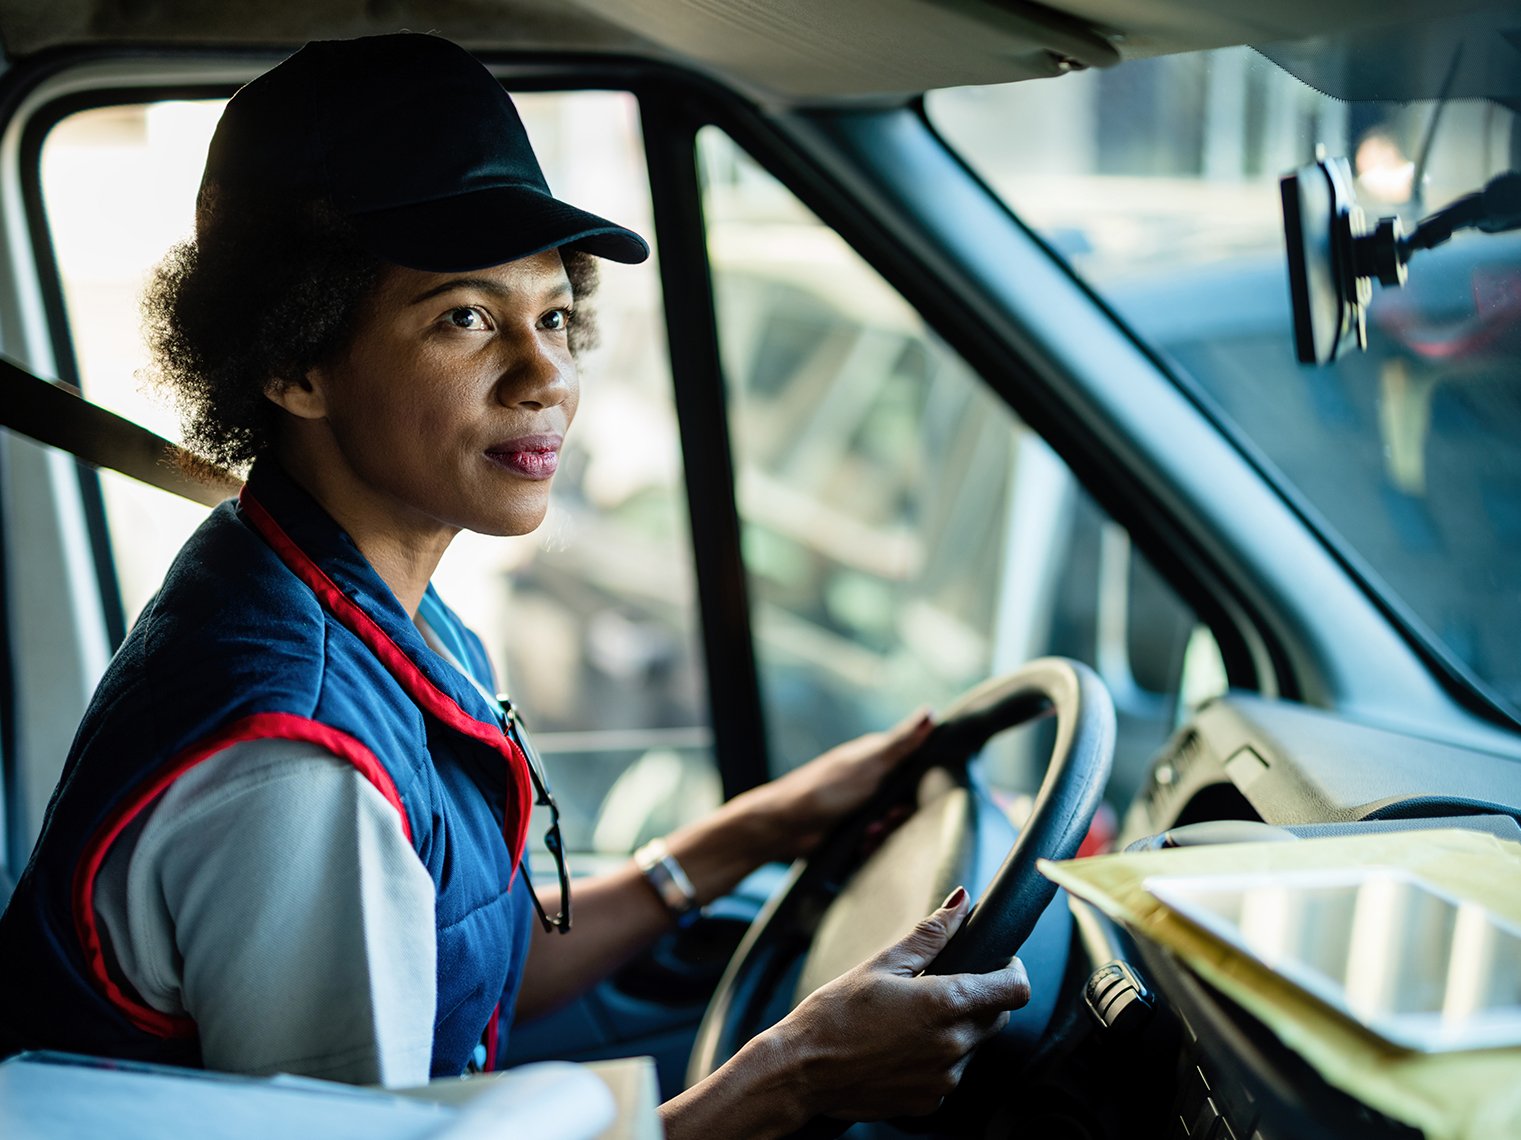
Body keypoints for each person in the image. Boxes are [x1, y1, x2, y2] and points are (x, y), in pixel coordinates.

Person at [0, 33, 1029, 1137]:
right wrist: (794, 1077)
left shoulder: (352, 597)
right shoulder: (298, 769)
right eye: (465, 317)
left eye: (552, 316)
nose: (546, 375)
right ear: (293, 362)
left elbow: (457, 959)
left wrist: (751, 831)